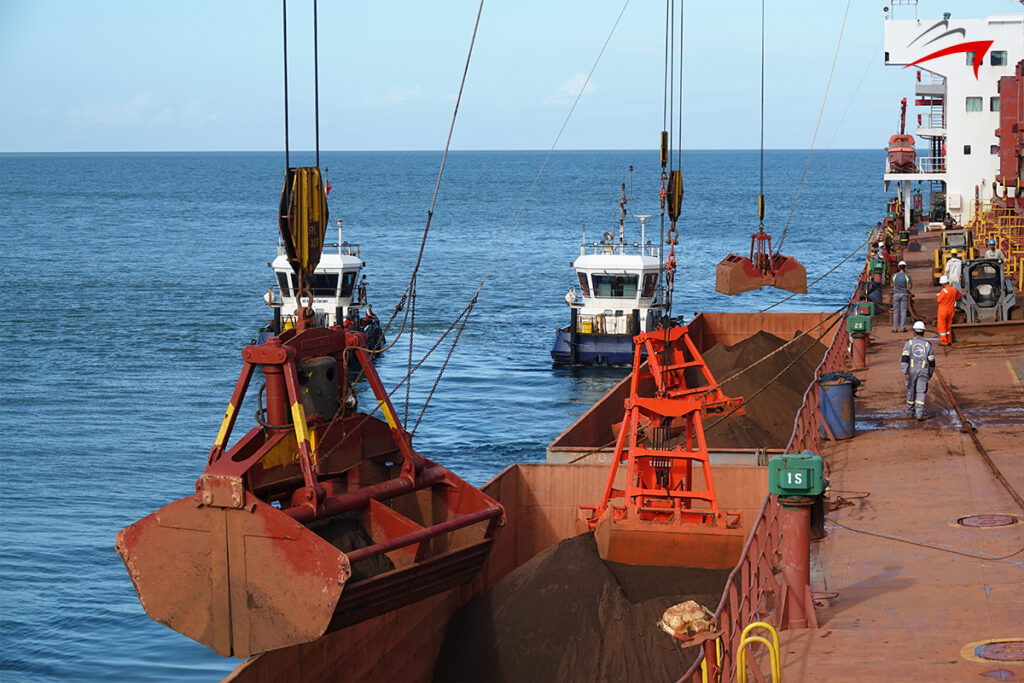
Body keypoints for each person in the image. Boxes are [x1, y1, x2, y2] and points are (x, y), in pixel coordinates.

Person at [901, 320, 935, 421]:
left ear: (914, 332)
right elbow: (932, 362)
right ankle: (919, 413)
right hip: (923, 371)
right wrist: (930, 373)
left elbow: (904, 358)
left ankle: (910, 412)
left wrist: (905, 371)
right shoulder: (928, 345)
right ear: (923, 332)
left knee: (910, 391)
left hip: (911, 371)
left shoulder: (909, 343)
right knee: (921, 392)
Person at [935, 274, 961, 346]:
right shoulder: (954, 289)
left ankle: (944, 342)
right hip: (951, 310)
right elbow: (959, 296)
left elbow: (938, 300)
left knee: (942, 326)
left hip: (943, 311)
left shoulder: (944, 291)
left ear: (943, 284)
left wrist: (939, 295)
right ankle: (949, 340)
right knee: (948, 326)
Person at [891, 261, 912, 332]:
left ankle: (895, 328)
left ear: (898, 267)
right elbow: (910, 286)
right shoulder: (907, 276)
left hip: (896, 294)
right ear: (905, 267)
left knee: (896, 311)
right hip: (904, 295)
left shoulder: (894, 276)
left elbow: (892, 285)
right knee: (903, 311)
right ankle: (903, 328)